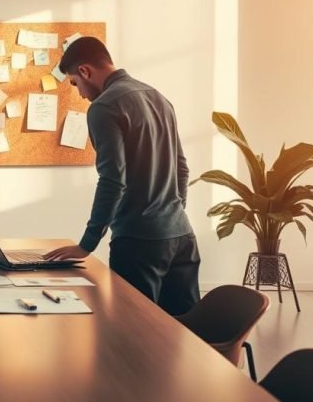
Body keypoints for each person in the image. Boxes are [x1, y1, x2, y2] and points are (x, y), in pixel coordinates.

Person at [44, 36, 199, 316]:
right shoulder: (158, 97)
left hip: (139, 242)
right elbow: (182, 167)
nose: (80, 94)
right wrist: (171, 212)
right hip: (182, 236)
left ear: (85, 71)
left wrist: (86, 244)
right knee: (186, 335)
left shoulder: (104, 107)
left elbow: (113, 180)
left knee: (133, 333)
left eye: (75, 84)